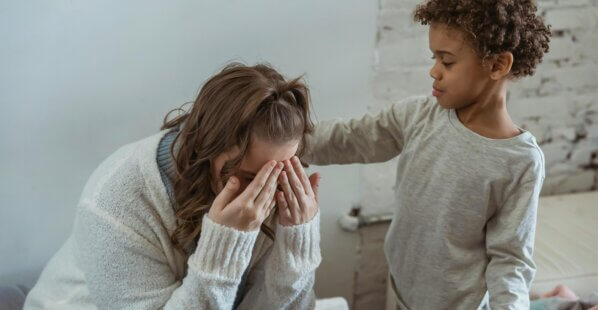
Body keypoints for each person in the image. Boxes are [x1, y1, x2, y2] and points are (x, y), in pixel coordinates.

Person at [303, 0, 551, 309]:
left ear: (497, 65)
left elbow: (510, 259)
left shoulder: (519, 161)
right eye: (434, 58)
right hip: (402, 289)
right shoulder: (418, 116)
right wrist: (290, 142)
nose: (434, 71)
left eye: (447, 62)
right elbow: (354, 137)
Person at [24, 63, 322, 309]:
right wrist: (224, 247)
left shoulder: (282, 193)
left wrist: (296, 248)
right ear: (205, 149)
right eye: (247, 176)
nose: (265, 191)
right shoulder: (115, 200)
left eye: (281, 173)